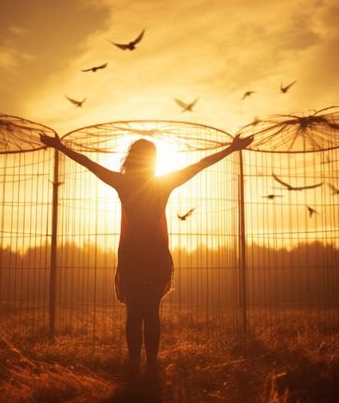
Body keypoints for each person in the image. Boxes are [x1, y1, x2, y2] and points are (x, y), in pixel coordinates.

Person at [40, 132, 253, 376]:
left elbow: (89, 163)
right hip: (155, 256)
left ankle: (134, 363)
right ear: (152, 162)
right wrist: (231, 148)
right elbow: (199, 166)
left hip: (132, 256)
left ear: (131, 160)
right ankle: (151, 364)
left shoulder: (123, 183)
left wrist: (59, 146)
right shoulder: (161, 184)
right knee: (151, 311)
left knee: (134, 312)